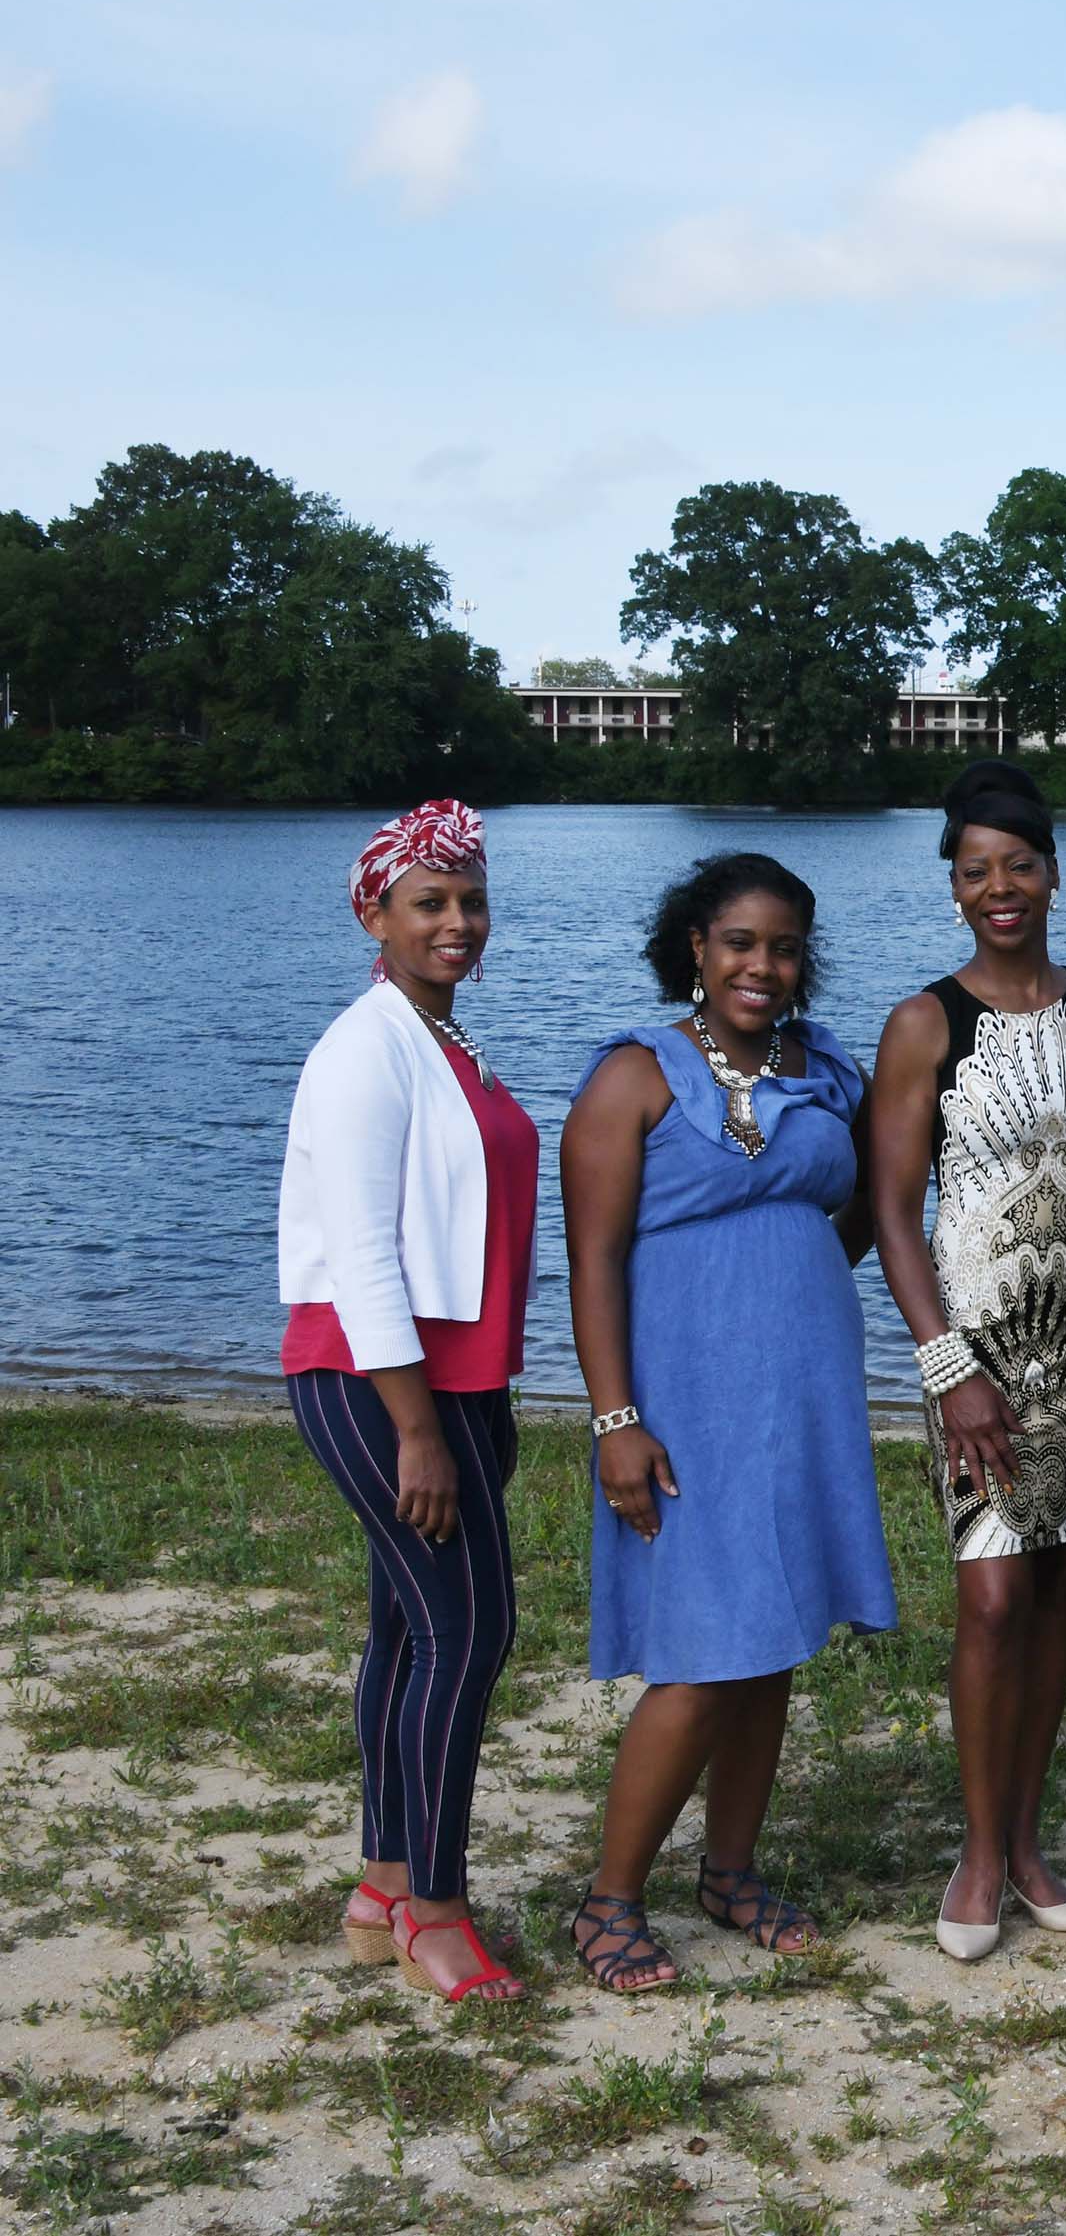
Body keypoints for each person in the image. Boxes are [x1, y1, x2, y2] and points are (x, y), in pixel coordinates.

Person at [559, 855, 898, 1993]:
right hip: (684, 1400)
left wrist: (788, 1282)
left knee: (773, 1639)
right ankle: (609, 1902)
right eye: (741, 942)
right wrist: (616, 1417)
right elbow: (593, 1263)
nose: (764, 965)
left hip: (798, 1391)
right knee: (704, 1654)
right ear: (696, 947)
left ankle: (731, 1872)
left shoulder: (827, 1071)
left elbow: (852, 1216)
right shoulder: (632, 1078)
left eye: (786, 946)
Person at [869, 761, 1066, 1961]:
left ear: (1052, 873)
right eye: (975, 870)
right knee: (990, 1600)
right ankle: (979, 1859)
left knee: (1057, 1602)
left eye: (1019, 865)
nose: (1000, 887)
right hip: (977, 1351)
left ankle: (1030, 1849)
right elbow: (890, 1210)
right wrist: (947, 1367)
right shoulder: (927, 1023)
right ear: (953, 888)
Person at [279, 800, 535, 2005]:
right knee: (469, 1629)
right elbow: (365, 1253)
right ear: (374, 914)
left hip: (452, 1382)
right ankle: (435, 1909)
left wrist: (480, 1401)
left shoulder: (445, 1042)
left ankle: (383, 1880)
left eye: (470, 900)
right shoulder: (361, 1050)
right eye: (429, 902)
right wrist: (422, 1428)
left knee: (408, 1628)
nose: (457, 922)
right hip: (376, 1380)